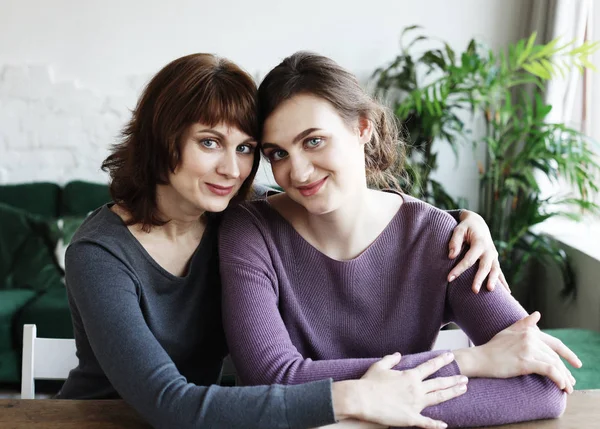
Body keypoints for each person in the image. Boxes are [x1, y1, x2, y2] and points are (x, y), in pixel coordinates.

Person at [56, 53, 508, 429]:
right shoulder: (99, 254)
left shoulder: (232, 212)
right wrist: (356, 395)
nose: (232, 170)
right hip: (106, 418)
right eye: (209, 143)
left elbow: (340, 204)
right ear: (161, 140)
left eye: (247, 148)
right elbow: (169, 402)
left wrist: (462, 221)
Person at [218, 51, 583, 429]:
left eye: (313, 141)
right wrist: (468, 362)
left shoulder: (442, 237)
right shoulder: (249, 231)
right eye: (278, 153)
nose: (297, 171)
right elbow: (274, 379)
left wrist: (355, 415)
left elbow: (542, 383)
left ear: (362, 127)